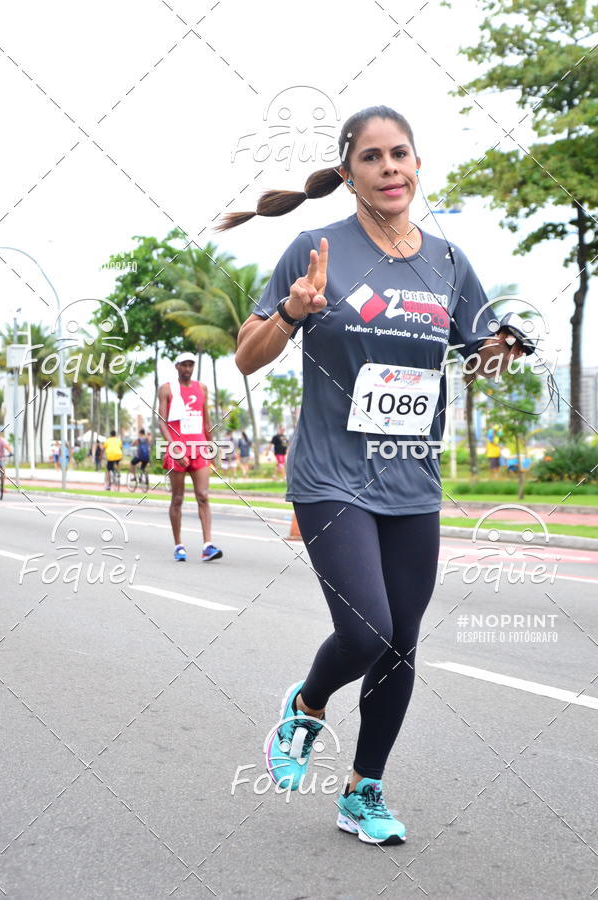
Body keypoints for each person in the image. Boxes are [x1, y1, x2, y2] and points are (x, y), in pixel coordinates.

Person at [231, 105, 527, 845]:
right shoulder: (315, 246)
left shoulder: (450, 263)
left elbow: (477, 358)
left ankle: (364, 790)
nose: (390, 167)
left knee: (402, 640)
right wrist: (295, 313)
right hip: (331, 474)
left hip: (412, 479)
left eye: (401, 154)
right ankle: (308, 702)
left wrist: (502, 347)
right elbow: (246, 355)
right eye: (373, 157)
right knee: (367, 628)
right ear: (349, 172)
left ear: (417, 166)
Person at [157, 352, 223, 562]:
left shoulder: (201, 388)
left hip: (200, 447)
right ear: (177, 366)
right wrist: (174, 446)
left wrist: (212, 448)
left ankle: (208, 545)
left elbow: (206, 420)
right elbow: (161, 420)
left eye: (190, 365)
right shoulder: (167, 388)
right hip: (177, 448)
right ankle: (178, 546)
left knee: (203, 495)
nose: (187, 368)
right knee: (177, 498)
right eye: (184, 365)